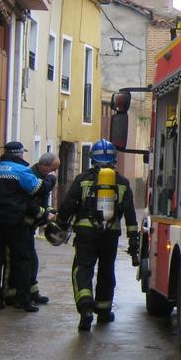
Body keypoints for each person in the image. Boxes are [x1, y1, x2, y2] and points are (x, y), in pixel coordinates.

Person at [56, 139, 138, 331]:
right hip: (111, 235)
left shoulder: (83, 180)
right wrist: (134, 241)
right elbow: (131, 217)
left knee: (83, 268)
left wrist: (60, 226)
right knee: (107, 270)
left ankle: (85, 308)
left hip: (85, 234)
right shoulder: (123, 183)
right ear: (114, 159)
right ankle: (103, 311)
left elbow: (68, 206)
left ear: (92, 158)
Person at [0, 141, 43, 312]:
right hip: (15, 223)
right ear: (19, 154)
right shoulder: (21, 171)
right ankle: (23, 300)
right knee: (22, 260)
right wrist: (49, 180)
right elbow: (36, 189)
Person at [11, 153, 60, 306]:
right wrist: (45, 215)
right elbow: (30, 205)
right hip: (21, 225)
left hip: (29, 226)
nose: (53, 174)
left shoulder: (41, 177)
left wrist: (50, 211)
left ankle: (32, 292)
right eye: (52, 170)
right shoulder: (30, 177)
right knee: (26, 261)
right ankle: (21, 296)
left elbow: (43, 200)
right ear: (44, 166)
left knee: (31, 261)